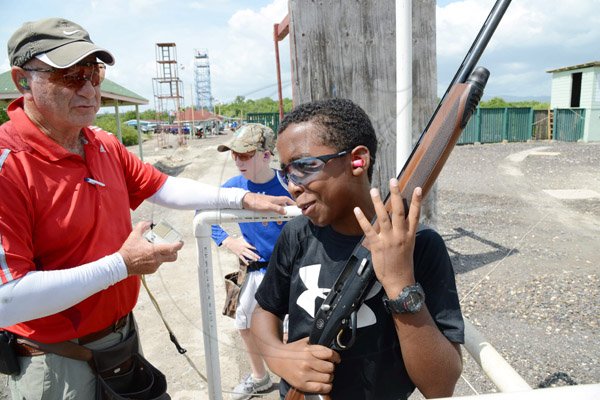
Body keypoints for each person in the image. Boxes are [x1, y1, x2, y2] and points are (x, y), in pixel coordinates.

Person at [0, 17, 293, 400]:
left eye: (94, 73)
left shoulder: (100, 143)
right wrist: (121, 265)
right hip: (56, 363)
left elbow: (164, 187)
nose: (89, 89)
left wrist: (241, 199)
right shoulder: (9, 165)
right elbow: (7, 301)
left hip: (120, 338)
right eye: (70, 76)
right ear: (23, 81)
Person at [251, 98, 464, 399]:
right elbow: (265, 310)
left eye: (304, 166)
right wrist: (277, 355)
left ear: (357, 161)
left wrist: (400, 282)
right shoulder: (297, 234)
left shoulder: (421, 246)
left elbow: (440, 386)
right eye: (286, 173)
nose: (293, 185)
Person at [211, 123, 291, 399]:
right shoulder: (233, 187)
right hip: (254, 270)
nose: (237, 160)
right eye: (233, 154)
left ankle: (294, 383)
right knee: (245, 324)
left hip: (288, 271)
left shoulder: (287, 183)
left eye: (244, 155)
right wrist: (228, 241)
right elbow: (204, 213)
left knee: (291, 329)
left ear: (266, 155)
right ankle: (259, 377)